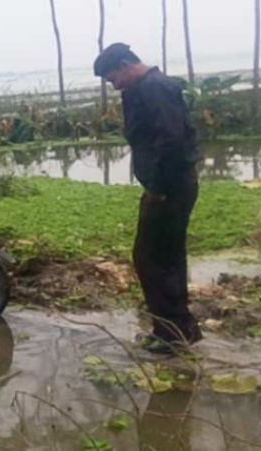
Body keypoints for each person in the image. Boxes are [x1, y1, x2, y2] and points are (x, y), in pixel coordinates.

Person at [93, 43, 202, 353]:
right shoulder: (144, 88)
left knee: (153, 258)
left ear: (128, 64)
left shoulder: (154, 88)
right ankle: (179, 329)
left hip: (169, 186)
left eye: (113, 78)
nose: (114, 86)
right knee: (165, 257)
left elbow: (171, 143)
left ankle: (172, 334)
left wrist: (158, 187)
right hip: (169, 185)